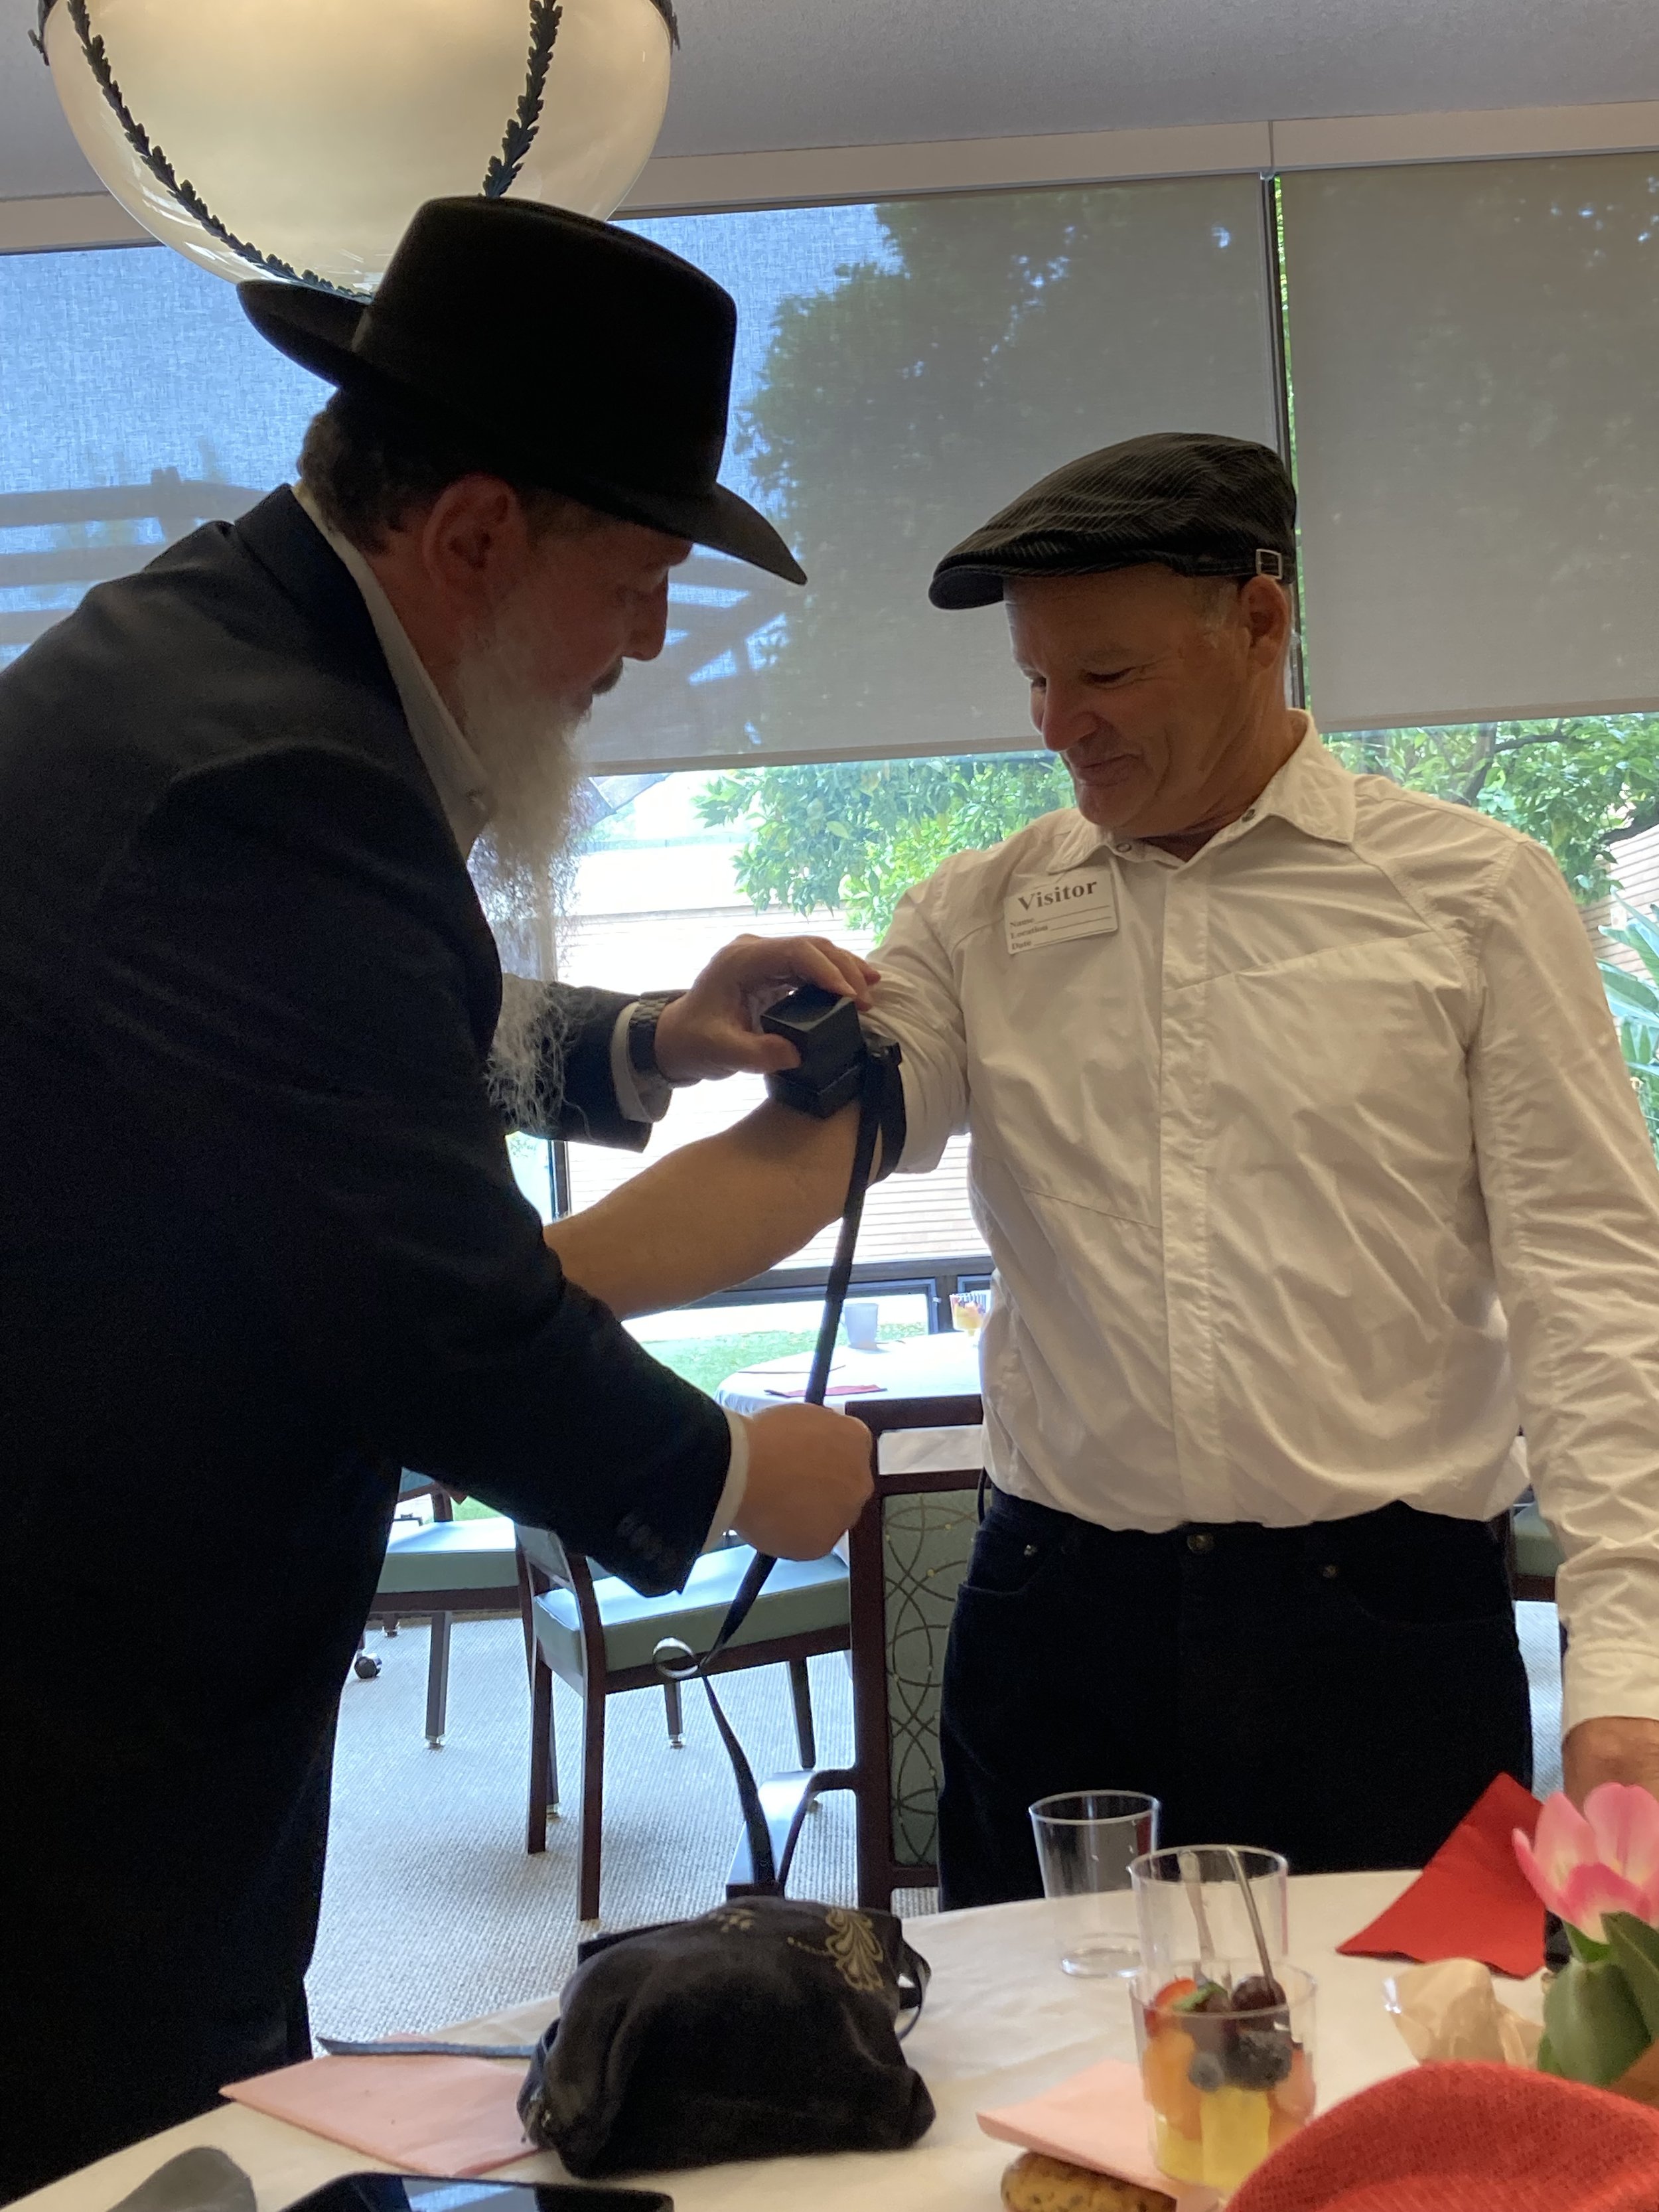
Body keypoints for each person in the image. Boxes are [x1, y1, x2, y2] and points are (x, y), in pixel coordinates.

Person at [0, 197, 875, 2199]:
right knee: (126, 2144)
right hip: (80, 1696)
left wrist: (644, 1040)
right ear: (476, 533)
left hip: (96, 1628)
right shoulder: (267, 775)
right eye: (637, 579)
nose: (645, 642)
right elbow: (445, 1325)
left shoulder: (208, 652)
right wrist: (743, 1471)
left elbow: (332, 1027)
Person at [544, 431, 1659, 1909]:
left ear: (1258, 620)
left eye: (1107, 674)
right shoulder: (978, 914)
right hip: (1060, 1624)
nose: (1059, 724)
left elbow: (1593, 1288)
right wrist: (493, 1297)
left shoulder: (1472, 895)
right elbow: (794, 1162)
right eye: (1034, 679)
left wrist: (1627, 1669)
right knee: (1033, 2043)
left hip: (1382, 1635)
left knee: (1404, 2048)